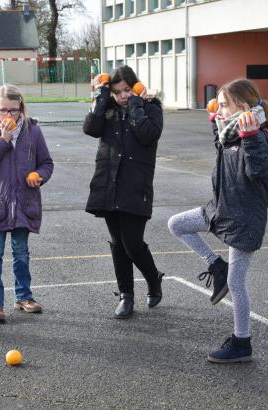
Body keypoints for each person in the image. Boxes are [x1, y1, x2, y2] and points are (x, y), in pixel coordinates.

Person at [167, 79, 268, 362]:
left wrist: (252, 136)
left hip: (243, 221)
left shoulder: (258, 138)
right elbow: (222, 145)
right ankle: (216, 265)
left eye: (222, 106)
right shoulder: (229, 134)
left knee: (237, 283)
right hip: (220, 210)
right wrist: (215, 123)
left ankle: (242, 343)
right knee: (176, 224)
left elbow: (259, 174)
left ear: (241, 108)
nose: (217, 110)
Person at [83, 65, 164, 319]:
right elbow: (91, 129)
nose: (123, 96)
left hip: (135, 185)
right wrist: (100, 96)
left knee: (132, 244)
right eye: (117, 92)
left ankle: (153, 279)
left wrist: (136, 105)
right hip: (108, 184)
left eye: (127, 90)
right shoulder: (106, 109)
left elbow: (148, 134)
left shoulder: (150, 108)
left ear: (136, 86)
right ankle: (126, 296)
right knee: (117, 243)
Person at [0, 84, 54, 323]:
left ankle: (24, 297)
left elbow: (46, 163)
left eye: (13, 110)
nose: (8, 115)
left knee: (21, 252)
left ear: (21, 107)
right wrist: (3, 139)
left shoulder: (33, 132)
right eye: (3, 110)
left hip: (23, 201)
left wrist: (39, 176)